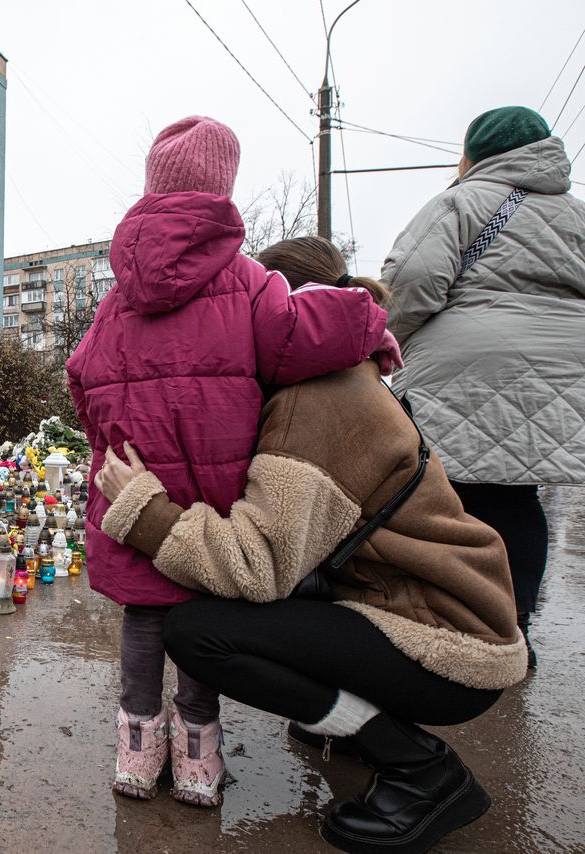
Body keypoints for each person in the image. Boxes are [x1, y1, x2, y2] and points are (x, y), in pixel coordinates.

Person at [92, 235, 525, 854]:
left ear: (282, 310)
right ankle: (355, 724)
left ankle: (421, 770)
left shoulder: (315, 398)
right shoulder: (339, 375)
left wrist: (144, 511)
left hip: (447, 641)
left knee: (197, 633)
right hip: (429, 606)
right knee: (257, 628)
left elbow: (257, 565)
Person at [65, 117, 392, 807]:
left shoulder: (116, 299)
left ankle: (134, 753)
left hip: (131, 492)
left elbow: (80, 376)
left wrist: (109, 441)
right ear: (223, 188)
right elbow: (305, 335)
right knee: (198, 625)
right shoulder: (248, 283)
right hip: (205, 505)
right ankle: (196, 760)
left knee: (144, 625)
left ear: (152, 185)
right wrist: (372, 330)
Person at [382, 106, 585, 668]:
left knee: (450, 498)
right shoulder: (576, 213)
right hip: (563, 372)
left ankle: (455, 625)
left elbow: (411, 282)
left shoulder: (461, 201)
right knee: (520, 498)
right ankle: (514, 629)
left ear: (475, 153)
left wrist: (384, 343)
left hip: (466, 368)